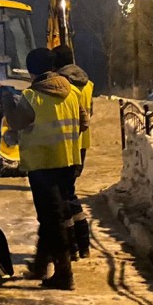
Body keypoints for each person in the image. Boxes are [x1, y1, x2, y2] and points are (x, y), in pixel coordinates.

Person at [0, 47, 86, 290]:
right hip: (67, 161)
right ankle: (40, 265)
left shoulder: (32, 96)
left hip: (42, 164)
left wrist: (7, 100)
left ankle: (63, 273)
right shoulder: (73, 93)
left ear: (31, 70)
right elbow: (83, 122)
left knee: (52, 218)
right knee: (53, 216)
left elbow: (16, 122)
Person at [52, 44, 93, 260]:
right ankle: (83, 242)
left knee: (64, 196)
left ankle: (73, 245)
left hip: (66, 145)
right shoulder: (88, 84)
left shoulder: (61, 85)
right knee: (70, 193)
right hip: (82, 144)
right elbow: (89, 114)